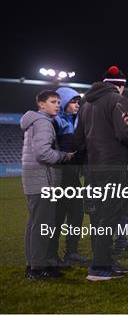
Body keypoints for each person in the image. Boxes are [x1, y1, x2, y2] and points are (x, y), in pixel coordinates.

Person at [73, 65, 128, 281]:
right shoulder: (117, 100)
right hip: (114, 167)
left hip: (93, 167)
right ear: (120, 86)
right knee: (109, 217)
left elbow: (78, 138)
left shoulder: (86, 103)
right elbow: (124, 135)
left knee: (98, 217)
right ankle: (99, 268)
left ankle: (103, 261)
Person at [21, 90, 74, 279]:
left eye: (59, 102)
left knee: (34, 225)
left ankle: (33, 265)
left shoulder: (35, 121)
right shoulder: (43, 122)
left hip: (35, 180)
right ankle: (38, 269)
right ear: (41, 104)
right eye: (53, 102)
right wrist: (64, 156)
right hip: (43, 181)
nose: (58, 105)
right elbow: (43, 153)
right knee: (42, 225)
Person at [48, 87, 88, 266]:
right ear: (64, 102)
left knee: (77, 214)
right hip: (60, 176)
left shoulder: (77, 121)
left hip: (72, 176)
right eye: (73, 102)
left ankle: (71, 252)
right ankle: (51, 254)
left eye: (78, 102)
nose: (77, 105)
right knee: (57, 216)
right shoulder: (55, 122)